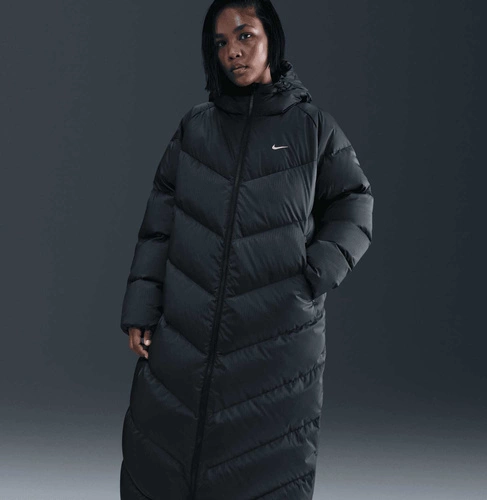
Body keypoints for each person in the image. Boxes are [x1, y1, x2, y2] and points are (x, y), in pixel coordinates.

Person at [119, 0, 374, 499]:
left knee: (265, 463)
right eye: (220, 44)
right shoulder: (195, 128)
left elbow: (355, 203)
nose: (233, 52)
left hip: (275, 333)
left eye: (245, 36)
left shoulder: (312, 128)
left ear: (271, 38)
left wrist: (311, 277)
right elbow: (159, 225)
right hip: (187, 331)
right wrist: (141, 310)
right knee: (165, 454)